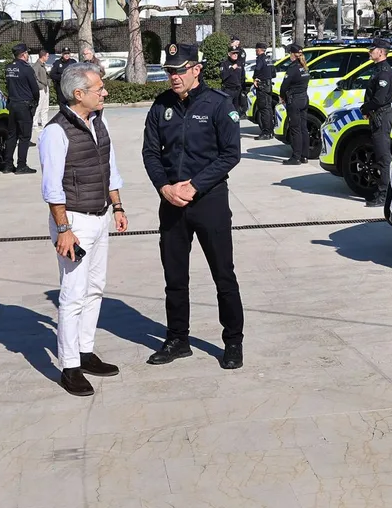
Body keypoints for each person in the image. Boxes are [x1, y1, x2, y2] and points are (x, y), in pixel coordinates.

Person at [141, 45, 245, 370]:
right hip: (172, 202)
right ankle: (177, 339)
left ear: (196, 70)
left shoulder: (218, 104)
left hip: (209, 200)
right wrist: (165, 187)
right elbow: (150, 153)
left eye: (179, 70)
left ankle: (233, 342)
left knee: (223, 275)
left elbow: (230, 154)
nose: (174, 77)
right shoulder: (161, 106)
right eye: (169, 71)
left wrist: (195, 185)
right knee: (174, 277)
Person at [39, 61, 127, 397]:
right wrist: (64, 229)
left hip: (100, 215)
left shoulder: (98, 121)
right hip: (74, 221)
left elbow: (109, 167)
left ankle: (85, 350)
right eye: (99, 88)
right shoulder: (56, 132)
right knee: (73, 294)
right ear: (79, 94)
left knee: (95, 288)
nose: (105, 92)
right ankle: (69, 366)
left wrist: (117, 206)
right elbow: (52, 188)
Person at [362, 37, 392, 207]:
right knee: (380, 154)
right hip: (378, 115)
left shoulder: (383, 72)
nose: (370, 52)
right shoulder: (378, 69)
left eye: (372, 50)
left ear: (381, 52)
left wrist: (365, 108)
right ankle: (383, 190)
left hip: (381, 116)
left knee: (384, 157)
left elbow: (379, 99)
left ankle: (385, 194)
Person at [1, 43, 40, 174]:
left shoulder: (8, 68)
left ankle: (7, 165)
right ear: (23, 54)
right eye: (27, 53)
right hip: (24, 105)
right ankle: (21, 165)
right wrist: (36, 102)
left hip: (12, 104)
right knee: (24, 137)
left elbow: (8, 86)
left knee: (12, 135)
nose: (28, 55)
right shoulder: (27, 69)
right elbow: (35, 89)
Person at [279, 42, 311, 165]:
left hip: (295, 100)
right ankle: (304, 156)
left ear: (292, 54)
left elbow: (284, 85)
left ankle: (296, 157)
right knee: (303, 128)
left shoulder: (293, 68)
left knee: (295, 129)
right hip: (304, 98)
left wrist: (282, 96)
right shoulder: (304, 67)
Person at [251, 43, 277, 140]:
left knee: (263, 109)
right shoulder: (269, 59)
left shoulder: (260, 59)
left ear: (259, 50)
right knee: (268, 108)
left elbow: (257, 69)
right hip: (269, 86)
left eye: (256, 49)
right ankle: (270, 131)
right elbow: (274, 73)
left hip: (262, 86)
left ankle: (266, 132)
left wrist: (255, 78)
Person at [31, 49, 52, 144]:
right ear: (43, 56)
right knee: (38, 107)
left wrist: (48, 84)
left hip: (45, 88)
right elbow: (34, 78)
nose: (48, 58)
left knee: (45, 107)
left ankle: (44, 123)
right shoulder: (36, 65)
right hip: (41, 89)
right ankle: (35, 124)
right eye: (47, 56)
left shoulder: (43, 65)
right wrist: (40, 87)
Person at [220, 48, 248, 118]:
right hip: (228, 90)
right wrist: (232, 68)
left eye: (237, 53)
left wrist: (243, 89)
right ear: (229, 54)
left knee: (236, 110)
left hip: (237, 90)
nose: (235, 55)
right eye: (233, 53)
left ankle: (235, 123)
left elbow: (242, 77)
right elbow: (223, 76)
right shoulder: (224, 64)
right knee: (227, 109)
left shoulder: (239, 64)